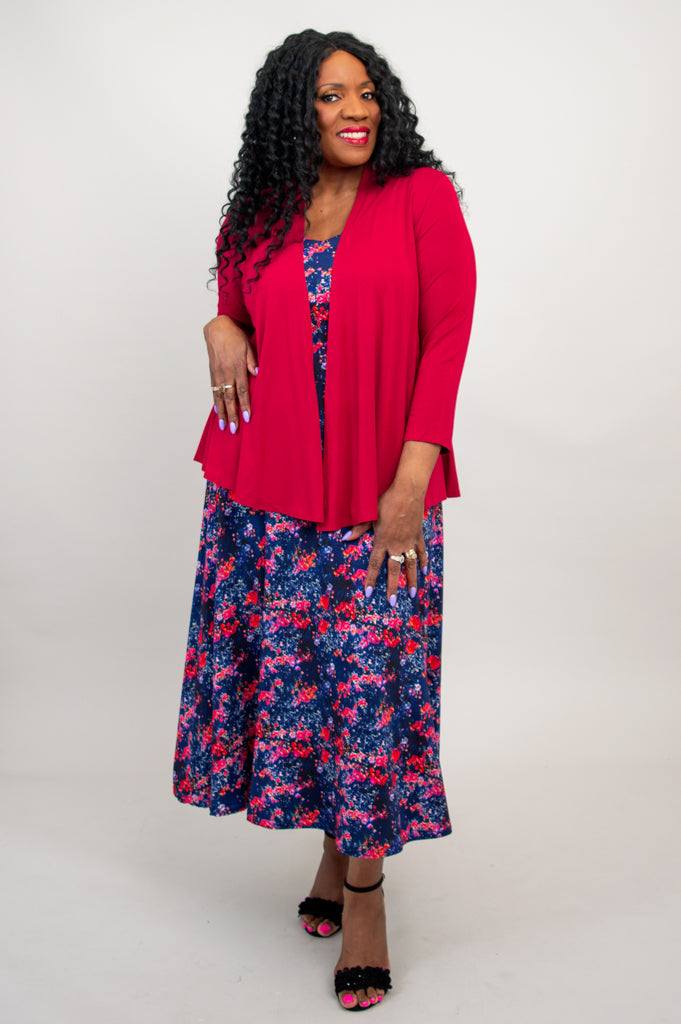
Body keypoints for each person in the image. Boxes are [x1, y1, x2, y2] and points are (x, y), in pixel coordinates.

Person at [173, 28, 476, 1011]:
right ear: (290, 111)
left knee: (370, 693)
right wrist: (219, 325)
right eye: (330, 95)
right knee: (303, 689)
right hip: (265, 495)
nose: (356, 110)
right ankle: (332, 855)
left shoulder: (420, 196)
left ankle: (367, 897)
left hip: (379, 495)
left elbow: (447, 334)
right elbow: (235, 308)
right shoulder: (260, 210)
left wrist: (411, 480)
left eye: (366, 91)